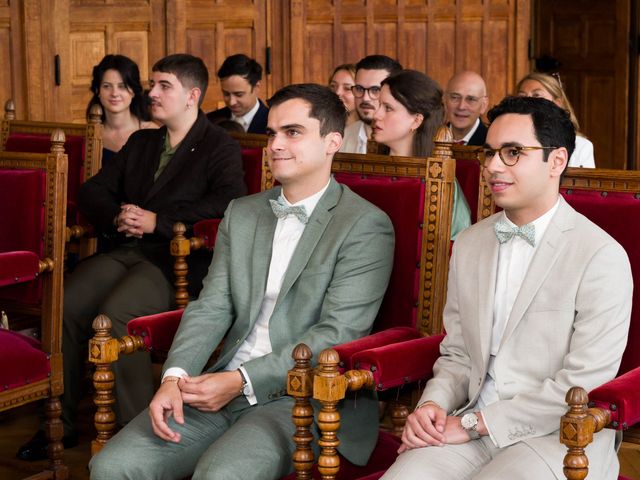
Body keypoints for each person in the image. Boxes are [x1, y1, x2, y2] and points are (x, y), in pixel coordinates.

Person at [89, 83, 395, 480]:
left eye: (293, 132)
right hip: (217, 382)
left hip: (304, 396)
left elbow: (336, 333)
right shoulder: (243, 212)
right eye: (272, 133)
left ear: (332, 141)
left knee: (221, 476)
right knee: (111, 467)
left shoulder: (364, 225)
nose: (276, 145)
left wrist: (240, 381)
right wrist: (175, 377)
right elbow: (212, 305)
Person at [381, 96, 632, 480]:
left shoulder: (600, 255)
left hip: (562, 436)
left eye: (513, 152)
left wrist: (475, 423)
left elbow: (583, 382)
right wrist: (432, 405)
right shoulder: (469, 243)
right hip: (469, 426)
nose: (494, 166)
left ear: (557, 161)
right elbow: (458, 352)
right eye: (490, 153)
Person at [17, 53, 247, 462]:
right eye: (153, 85)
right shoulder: (143, 141)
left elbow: (229, 205)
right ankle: (63, 423)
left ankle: (140, 434)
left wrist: (159, 221)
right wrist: (120, 214)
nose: (152, 94)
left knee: (119, 315)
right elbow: (93, 191)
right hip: (126, 248)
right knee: (67, 304)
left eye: (163, 86)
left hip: (175, 261)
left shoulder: (220, 146)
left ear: (192, 95)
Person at [372, 69, 471, 239]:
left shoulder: (440, 180)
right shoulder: (365, 173)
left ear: (416, 120)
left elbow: (457, 245)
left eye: (388, 108)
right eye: (379, 105)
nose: (376, 115)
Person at [86, 54, 158, 165]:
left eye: (122, 86)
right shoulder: (90, 135)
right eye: (106, 86)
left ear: (133, 90)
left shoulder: (152, 133)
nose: (114, 93)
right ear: (97, 90)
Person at [516, 72, 595, 168]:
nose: (528, 101)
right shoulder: (509, 139)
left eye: (537, 95)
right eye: (522, 96)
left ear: (557, 104)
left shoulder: (581, 146)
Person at [340, 54, 402, 153]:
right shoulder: (342, 139)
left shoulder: (410, 141)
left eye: (375, 89)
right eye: (359, 89)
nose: (365, 98)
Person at [206, 53, 269, 134]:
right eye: (226, 94)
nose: (232, 102)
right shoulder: (210, 122)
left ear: (256, 87)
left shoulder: (273, 124)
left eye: (239, 94)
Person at [444, 71, 489, 145]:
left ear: (483, 105)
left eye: (471, 99)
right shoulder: (430, 139)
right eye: (455, 97)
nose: (461, 107)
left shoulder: (491, 143)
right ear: (445, 99)